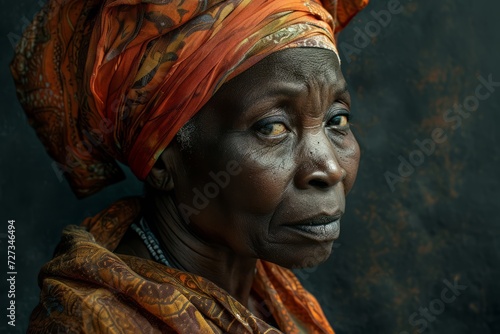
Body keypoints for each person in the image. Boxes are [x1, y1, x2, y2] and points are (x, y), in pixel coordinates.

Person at [11, 0, 368, 332]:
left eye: (337, 120)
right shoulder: (91, 324)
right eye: (272, 127)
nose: (330, 168)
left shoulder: (266, 290)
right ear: (163, 162)